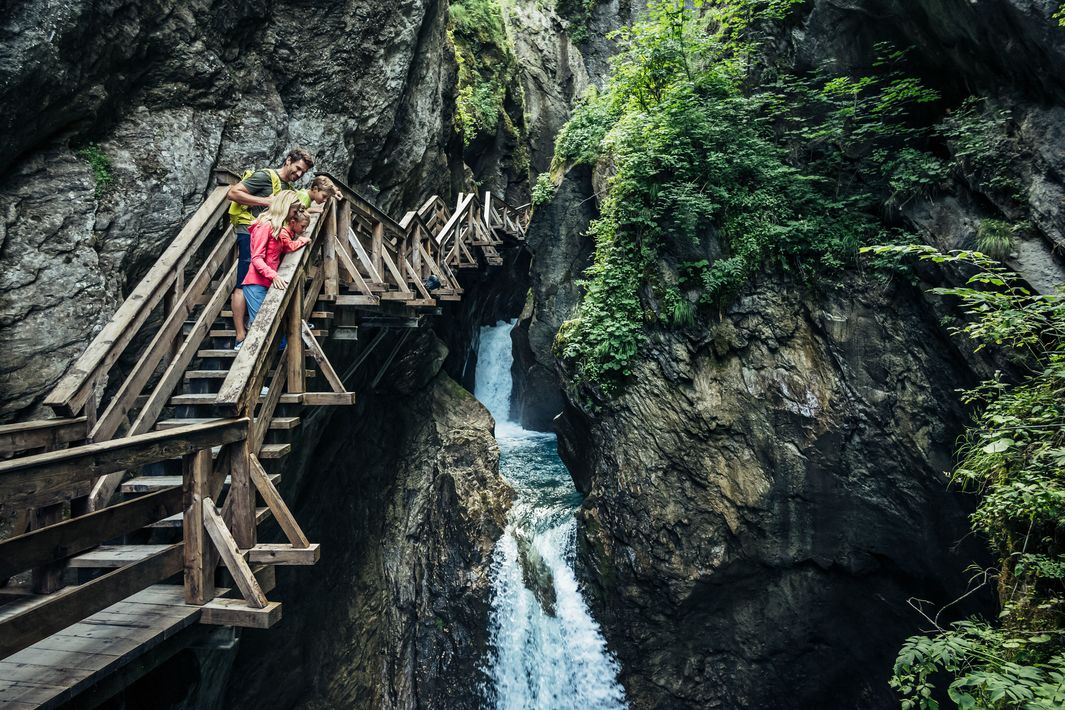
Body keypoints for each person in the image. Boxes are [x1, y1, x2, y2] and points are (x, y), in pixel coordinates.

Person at [227, 148, 315, 348]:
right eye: (298, 168)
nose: (299, 174)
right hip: (251, 233)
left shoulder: (288, 187)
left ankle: (270, 329)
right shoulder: (265, 177)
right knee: (243, 282)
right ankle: (241, 335)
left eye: (303, 172)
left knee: (261, 279)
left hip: (270, 237)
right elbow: (233, 193)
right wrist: (266, 201)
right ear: (288, 160)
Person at [241, 191, 311, 333]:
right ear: (285, 207)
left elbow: (285, 247)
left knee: (270, 327)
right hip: (256, 283)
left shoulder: (276, 227)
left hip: (267, 282)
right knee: (261, 328)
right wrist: (274, 276)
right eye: (294, 210)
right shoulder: (265, 225)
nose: (295, 214)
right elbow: (256, 258)